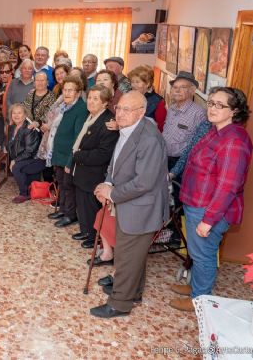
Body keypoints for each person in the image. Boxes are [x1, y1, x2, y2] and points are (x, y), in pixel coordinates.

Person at [169, 87, 253, 312]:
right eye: (211, 103)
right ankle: (196, 288)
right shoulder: (215, 130)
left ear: (234, 111)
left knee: (204, 256)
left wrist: (209, 220)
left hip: (208, 209)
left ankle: (200, 300)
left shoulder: (234, 140)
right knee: (197, 253)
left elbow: (228, 186)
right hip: (196, 202)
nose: (213, 108)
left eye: (220, 105)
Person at [90, 91, 169, 319]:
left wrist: (112, 192)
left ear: (142, 112)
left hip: (141, 208)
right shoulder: (129, 129)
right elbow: (117, 164)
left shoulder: (149, 139)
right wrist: (107, 182)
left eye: (127, 110)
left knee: (126, 256)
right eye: (119, 108)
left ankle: (119, 304)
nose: (120, 113)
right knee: (135, 255)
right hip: (130, 203)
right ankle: (133, 292)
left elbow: (144, 182)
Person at [69, 85, 119, 253]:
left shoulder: (108, 123)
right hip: (82, 172)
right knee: (82, 204)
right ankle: (85, 231)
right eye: (89, 97)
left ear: (105, 103)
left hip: (94, 173)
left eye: (95, 98)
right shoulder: (91, 117)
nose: (90, 101)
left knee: (90, 206)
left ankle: (94, 237)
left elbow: (103, 154)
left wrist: (78, 155)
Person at [45, 76, 89, 229]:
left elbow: (78, 138)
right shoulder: (65, 106)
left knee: (68, 186)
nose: (67, 93)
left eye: (71, 90)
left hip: (69, 156)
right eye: (65, 90)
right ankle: (63, 210)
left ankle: (70, 215)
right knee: (61, 183)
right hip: (59, 153)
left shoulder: (81, 109)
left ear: (78, 93)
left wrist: (71, 161)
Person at [162, 71, 207, 170]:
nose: (177, 90)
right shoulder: (171, 108)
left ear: (192, 90)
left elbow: (201, 145)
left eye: (183, 87)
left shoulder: (199, 114)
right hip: (163, 157)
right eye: (175, 87)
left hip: (181, 164)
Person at [8, 103, 43, 203]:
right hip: (25, 159)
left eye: (19, 113)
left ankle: (24, 194)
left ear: (25, 115)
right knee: (17, 167)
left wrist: (15, 161)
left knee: (16, 167)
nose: (16, 115)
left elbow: (30, 151)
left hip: (35, 160)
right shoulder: (13, 127)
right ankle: (27, 186)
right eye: (14, 113)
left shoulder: (29, 128)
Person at [128, 65, 167, 131]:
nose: (133, 85)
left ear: (147, 83)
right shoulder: (129, 96)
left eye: (137, 82)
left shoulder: (159, 102)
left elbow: (160, 128)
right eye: (132, 82)